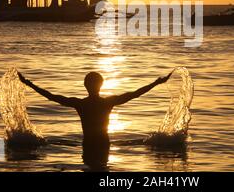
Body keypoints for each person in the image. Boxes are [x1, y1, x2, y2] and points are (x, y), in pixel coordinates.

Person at [18, 71, 172, 169]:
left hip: (88, 145)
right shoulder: (107, 102)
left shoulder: (80, 104)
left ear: (85, 85)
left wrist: (29, 83)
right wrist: (156, 82)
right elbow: (135, 93)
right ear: (101, 85)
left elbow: (51, 96)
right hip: (104, 145)